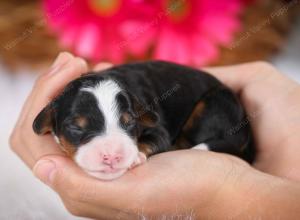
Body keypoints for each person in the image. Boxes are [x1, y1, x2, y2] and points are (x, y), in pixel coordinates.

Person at [10, 52, 300, 219]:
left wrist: (224, 193)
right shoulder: (61, 109)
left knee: (208, 111)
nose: (110, 152)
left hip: (216, 109)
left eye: (125, 125)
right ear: (51, 123)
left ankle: (211, 146)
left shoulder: (141, 106)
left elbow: (156, 131)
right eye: (79, 129)